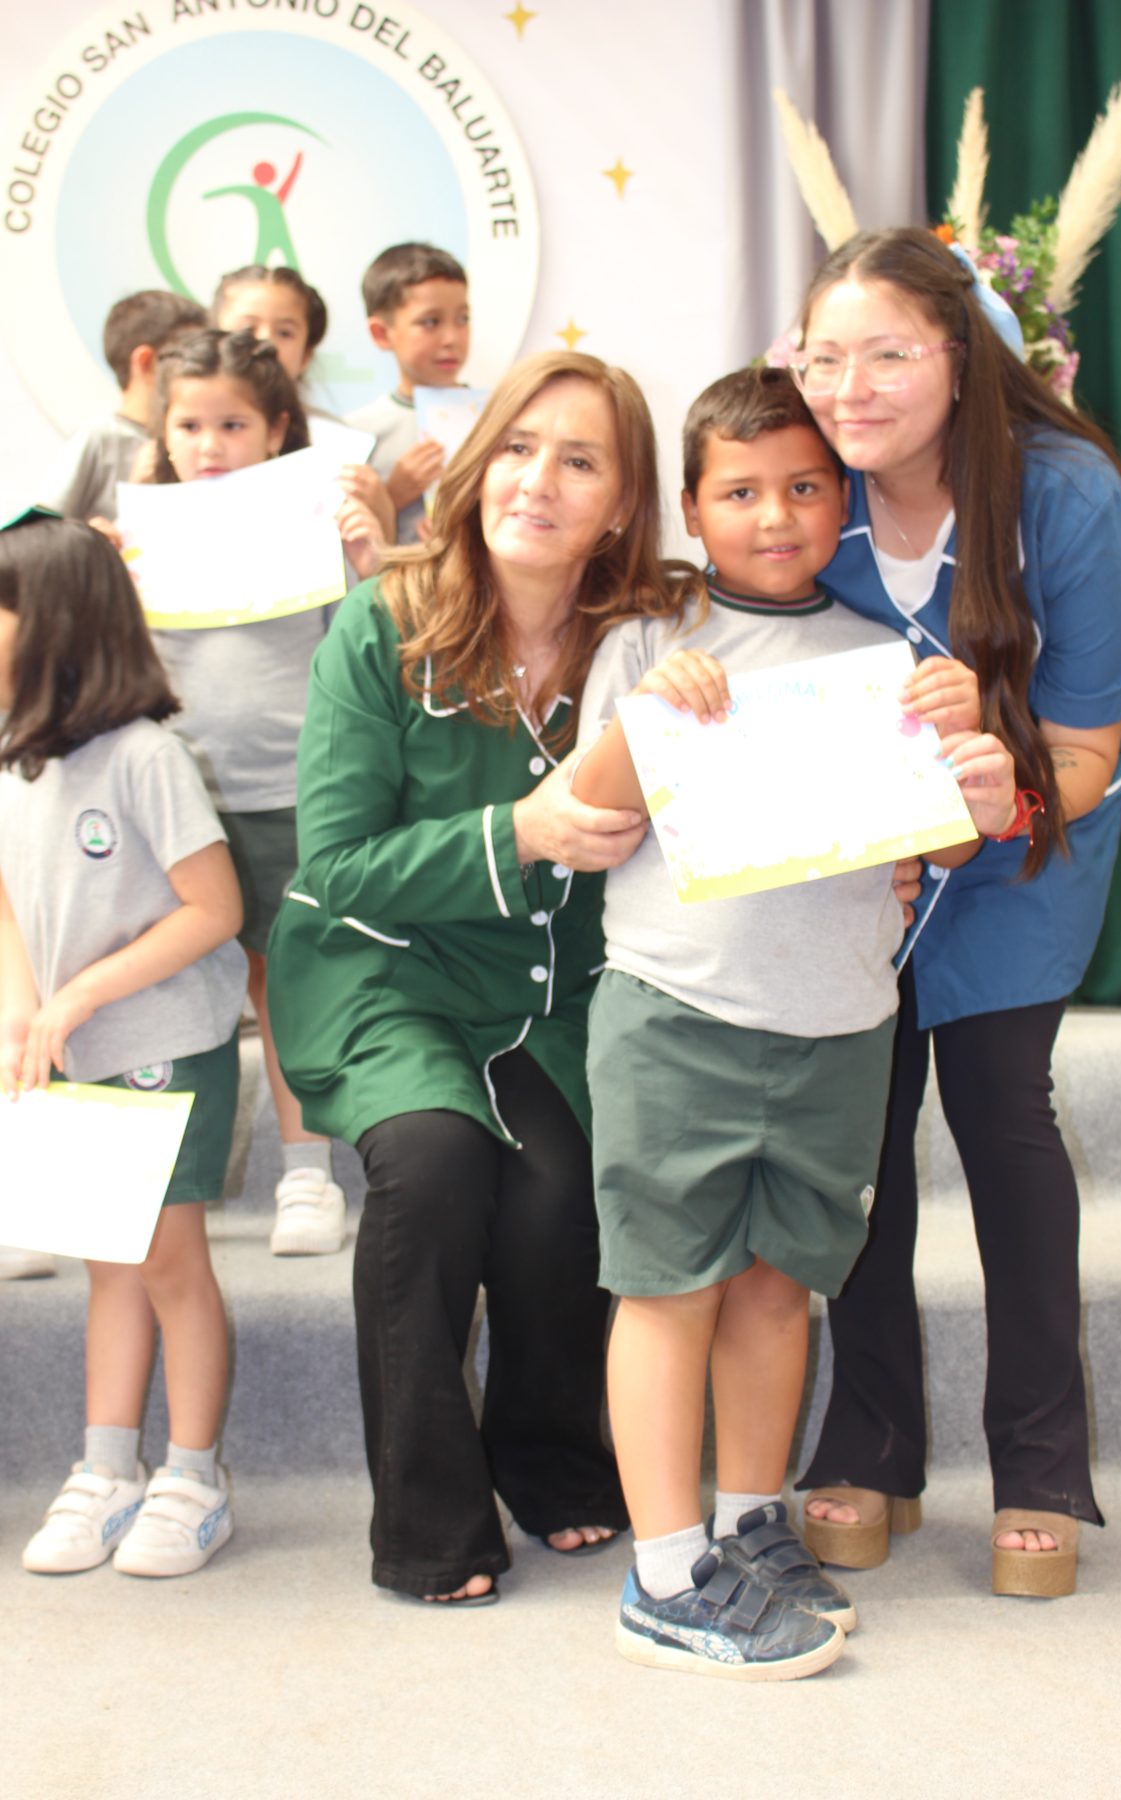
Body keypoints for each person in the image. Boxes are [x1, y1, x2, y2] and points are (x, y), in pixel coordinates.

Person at [573, 366, 1016, 1678]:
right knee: (667, 1288)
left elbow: (937, 842)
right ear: (696, 511)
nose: (777, 514)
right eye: (743, 492)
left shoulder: (893, 656)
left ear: (845, 501)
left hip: (837, 1025)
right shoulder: (651, 644)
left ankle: (747, 1522)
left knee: (777, 1290)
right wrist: (656, 715)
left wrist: (967, 750)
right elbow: (590, 822)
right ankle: (661, 1573)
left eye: (806, 486)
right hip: (677, 1014)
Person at [265, 349, 686, 1605]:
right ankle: (428, 1523)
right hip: (386, 975)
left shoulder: (651, 632)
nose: (537, 481)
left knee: (564, 1199)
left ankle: (553, 1462)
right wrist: (521, 834)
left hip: (554, 995)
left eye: (579, 459)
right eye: (516, 445)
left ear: (622, 501)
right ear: (473, 458)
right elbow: (335, 868)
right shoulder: (382, 622)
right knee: (436, 1171)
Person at [789, 227, 1121, 1598]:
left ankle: (1042, 1465)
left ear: (966, 357)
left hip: (1027, 850)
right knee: (859, 1139)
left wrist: (998, 789)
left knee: (1002, 1115)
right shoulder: (806, 493)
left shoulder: (1066, 498)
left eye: (888, 352)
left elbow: (1088, 753)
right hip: (862, 870)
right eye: (823, 355)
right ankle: (875, 1445)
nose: (851, 385)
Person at [102, 328, 385, 1257]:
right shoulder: (134, 540)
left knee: (284, 980)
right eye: (190, 423)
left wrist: (365, 553)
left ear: (276, 432)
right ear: (162, 429)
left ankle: (306, 1175)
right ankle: (128, 1178)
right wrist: (100, 577)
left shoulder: (310, 529)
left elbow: (370, 642)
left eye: (233, 423)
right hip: (170, 806)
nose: (210, 443)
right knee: (160, 985)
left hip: (289, 794)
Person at [0, 514, 247, 1576]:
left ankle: (194, 1474)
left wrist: (84, 993)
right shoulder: (16, 761)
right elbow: (9, 906)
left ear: (53, 621)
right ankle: (108, 1468)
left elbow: (216, 906)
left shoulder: (147, 757)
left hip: (162, 1047)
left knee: (169, 1263)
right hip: (72, 1059)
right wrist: (26, 1009)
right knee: (111, 1266)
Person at [210, 264, 395, 543]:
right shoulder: (180, 438)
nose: (265, 343)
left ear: (306, 354)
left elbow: (372, 561)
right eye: (248, 327)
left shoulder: (340, 448)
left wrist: (383, 514)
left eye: (284, 333)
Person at [35, 290, 207, 522]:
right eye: (189, 358)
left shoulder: (196, 442)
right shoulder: (100, 439)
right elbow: (43, 530)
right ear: (146, 362)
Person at [346, 242, 471, 543]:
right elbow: (353, 547)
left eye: (463, 319)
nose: (451, 338)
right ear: (381, 333)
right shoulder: (357, 435)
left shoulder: (499, 416)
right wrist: (392, 497)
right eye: (430, 322)